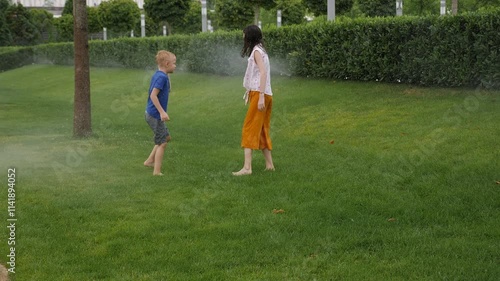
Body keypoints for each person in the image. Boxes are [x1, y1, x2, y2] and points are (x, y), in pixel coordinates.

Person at [233, 25, 275, 176]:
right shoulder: (261, 50)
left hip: (260, 93)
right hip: (264, 93)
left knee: (249, 128)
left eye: (244, 34)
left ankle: (247, 168)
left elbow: (263, 73)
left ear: (249, 36)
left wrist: (261, 96)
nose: (243, 37)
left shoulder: (257, 51)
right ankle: (269, 165)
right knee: (262, 130)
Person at [143, 50, 176, 176]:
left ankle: (149, 161)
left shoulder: (161, 75)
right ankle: (156, 171)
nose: (175, 66)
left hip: (153, 114)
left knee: (166, 137)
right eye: (174, 63)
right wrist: (162, 112)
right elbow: (153, 95)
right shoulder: (161, 77)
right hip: (155, 115)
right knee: (162, 143)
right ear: (167, 64)